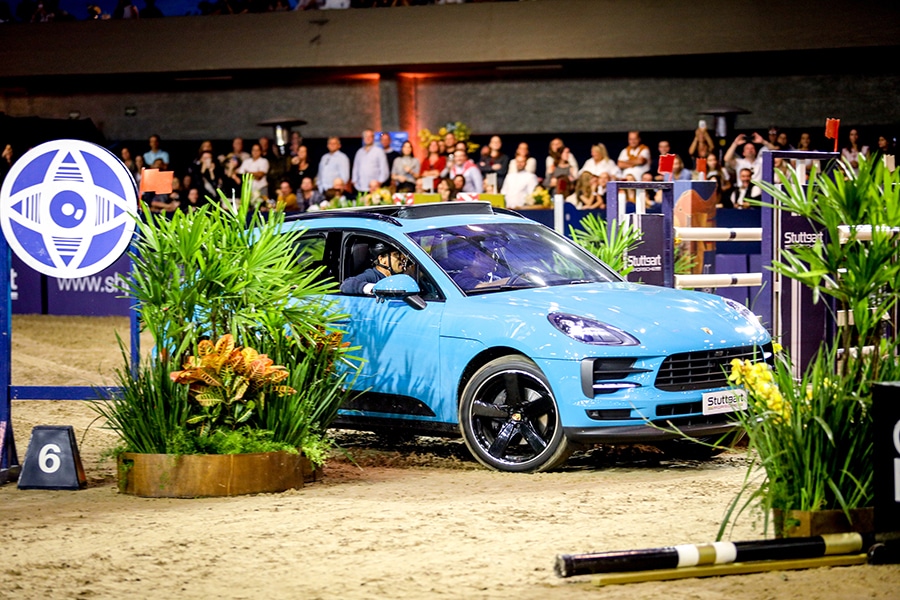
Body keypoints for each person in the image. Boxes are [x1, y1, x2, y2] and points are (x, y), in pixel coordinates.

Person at [340, 242, 409, 295]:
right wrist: (373, 288)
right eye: (396, 254)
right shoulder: (371, 276)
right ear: (382, 259)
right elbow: (346, 285)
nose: (402, 258)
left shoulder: (398, 276)